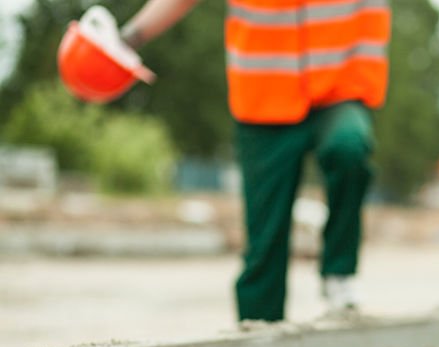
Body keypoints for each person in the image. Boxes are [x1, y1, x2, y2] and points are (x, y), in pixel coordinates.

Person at [113, 0, 391, 319]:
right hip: (265, 98)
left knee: (349, 147)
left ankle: (339, 274)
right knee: (265, 241)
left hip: (340, 87)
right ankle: (259, 333)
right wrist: (127, 39)